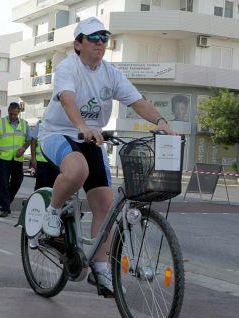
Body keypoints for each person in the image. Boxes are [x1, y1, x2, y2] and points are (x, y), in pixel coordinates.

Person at [38, 17, 171, 296]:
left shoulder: (111, 73)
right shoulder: (67, 68)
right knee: (77, 170)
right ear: (78, 43)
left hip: (92, 137)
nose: (100, 43)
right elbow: (67, 99)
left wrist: (160, 122)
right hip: (59, 133)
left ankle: (99, 270)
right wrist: (81, 126)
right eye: (94, 38)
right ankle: (52, 211)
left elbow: (137, 101)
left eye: (104, 39)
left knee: (106, 205)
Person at [0, 102, 32, 217]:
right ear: (8, 111)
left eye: (15, 114)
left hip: (17, 158)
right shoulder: (0, 122)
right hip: (2, 157)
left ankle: (7, 201)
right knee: (3, 183)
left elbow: (29, 139)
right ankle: (5, 208)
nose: (13, 116)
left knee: (17, 181)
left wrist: (23, 148)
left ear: (18, 112)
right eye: (11, 114)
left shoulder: (24, 124)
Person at [30, 120, 59, 190]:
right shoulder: (41, 123)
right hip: (42, 161)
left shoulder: (60, 123)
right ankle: (37, 200)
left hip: (55, 161)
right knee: (40, 185)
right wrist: (33, 158)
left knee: (54, 186)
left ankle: (50, 201)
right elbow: (33, 140)